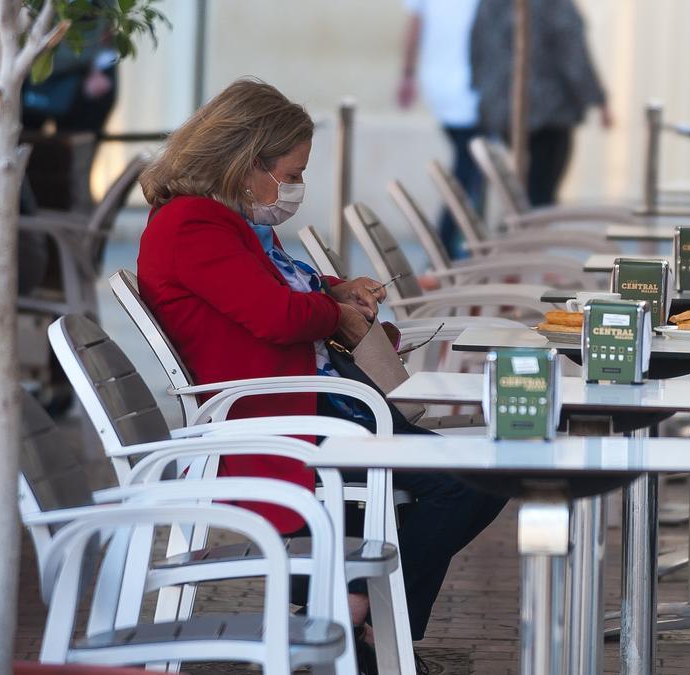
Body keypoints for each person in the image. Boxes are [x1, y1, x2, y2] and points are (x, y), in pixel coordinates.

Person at [136, 79, 506, 674]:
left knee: (473, 477)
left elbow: (283, 288)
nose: (294, 188)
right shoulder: (194, 225)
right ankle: (362, 621)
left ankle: (350, 616)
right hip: (276, 427)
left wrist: (336, 291)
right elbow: (276, 314)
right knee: (468, 482)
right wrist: (336, 312)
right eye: (291, 172)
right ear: (245, 161)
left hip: (313, 412)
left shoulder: (229, 221)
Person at [470, 0, 611, 207]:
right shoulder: (554, 5)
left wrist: (485, 92)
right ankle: (530, 235)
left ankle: (524, 232)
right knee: (540, 194)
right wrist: (599, 100)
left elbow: (476, 49)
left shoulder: (490, 4)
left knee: (525, 190)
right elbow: (573, 55)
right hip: (548, 110)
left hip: (502, 109)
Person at [397, 0, 484, 260]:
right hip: (469, 88)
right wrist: (407, 74)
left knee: (470, 170)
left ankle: (452, 248)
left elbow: (415, 26)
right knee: (468, 172)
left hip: (446, 84)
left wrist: (408, 74)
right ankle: (446, 249)